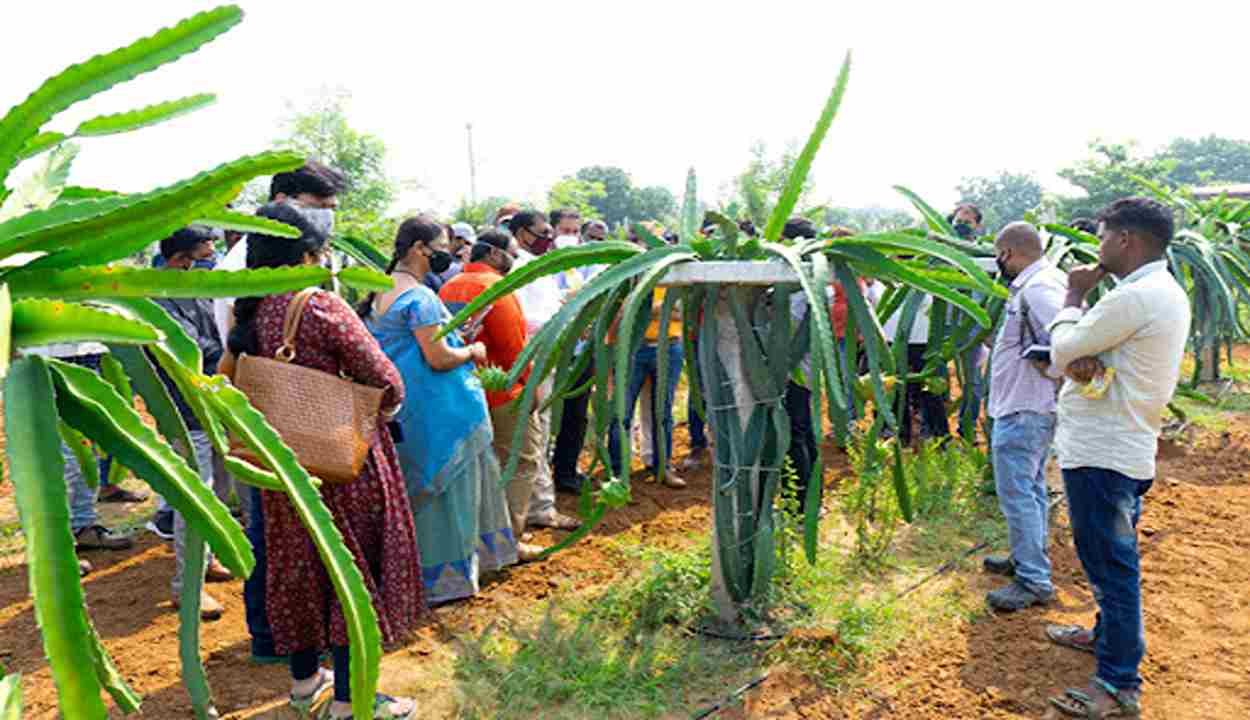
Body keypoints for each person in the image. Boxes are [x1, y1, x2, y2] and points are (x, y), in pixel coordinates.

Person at [221, 202, 421, 719]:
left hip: (281, 469)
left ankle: (307, 684)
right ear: (310, 254)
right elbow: (388, 380)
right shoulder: (322, 307)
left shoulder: (251, 309)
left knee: (301, 573)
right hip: (340, 466)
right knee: (351, 571)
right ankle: (354, 701)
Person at [1043, 198, 1189, 719]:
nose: (1098, 247)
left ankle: (1119, 681)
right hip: (1126, 446)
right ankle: (1105, 638)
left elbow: (1062, 351)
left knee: (1112, 567)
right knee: (1111, 558)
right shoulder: (1158, 292)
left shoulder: (1134, 299)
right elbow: (1089, 356)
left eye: (1103, 236)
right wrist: (1087, 352)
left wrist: (1073, 296)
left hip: (1104, 454)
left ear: (1126, 239)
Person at [222, 163, 345, 665]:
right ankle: (273, 636)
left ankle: (291, 639)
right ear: (282, 200)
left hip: (286, 410)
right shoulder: (244, 264)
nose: (326, 220)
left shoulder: (300, 258)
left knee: (286, 527)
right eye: (318, 209)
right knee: (270, 529)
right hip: (280, 410)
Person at [362, 217, 518, 604]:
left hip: (404, 407)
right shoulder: (420, 298)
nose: (448, 253)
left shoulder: (380, 291)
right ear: (419, 248)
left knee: (412, 488)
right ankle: (444, 581)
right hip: (440, 409)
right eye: (442, 245)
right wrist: (472, 350)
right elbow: (438, 357)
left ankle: (409, 573)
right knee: (448, 492)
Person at [440, 230, 549, 561]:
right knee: (521, 461)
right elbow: (515, 349)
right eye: (511, 252)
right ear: (492, 254)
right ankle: (508, 540)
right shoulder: (499, 290)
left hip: (462, 391)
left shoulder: (449, 286)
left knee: (481, 468)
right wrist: (530, 389)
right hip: (502, 392)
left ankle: (484, 534)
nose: (514, 259)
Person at [980, 222, 1067, 612]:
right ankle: (1026, 558)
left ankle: (1033, 579)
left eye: (1000, 255)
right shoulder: (1039, 283)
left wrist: (1048, 368)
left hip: (1025, 407)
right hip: (1024, 405)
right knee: (1030, 491)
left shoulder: (1039, 288)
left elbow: (1066, 343)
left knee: (1018, 495)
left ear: (1008, 253)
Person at [152, 227, 238, 619]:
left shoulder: (194, 287)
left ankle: (206, 561)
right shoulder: (158, 296)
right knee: (196, 497)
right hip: (185, 411)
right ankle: (186, 587)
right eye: (205, 250)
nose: (212, 255)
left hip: (214, 403)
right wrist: (232, 351)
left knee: (219, 487)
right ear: (182, 256)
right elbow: (187, 347)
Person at [506, 210, 580, 530]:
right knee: (537, 430)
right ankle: (540, 509)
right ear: (522, 234)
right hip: (535, 356)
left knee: (541, 430)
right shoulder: (521, 266)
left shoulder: (538, 265)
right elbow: (523, 318)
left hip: (547, 354)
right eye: (543, 232)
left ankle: (538, 505)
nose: (549, 238)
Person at [606, 224, 687, 489]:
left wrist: (647, 308)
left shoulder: (676, 273)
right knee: (622, 413)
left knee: (662, 411)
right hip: (633, 349)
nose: (648, 248)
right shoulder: (624, 275)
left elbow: (682, 312)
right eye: (640, 242)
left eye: (654, 242)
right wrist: (659, 309)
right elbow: (619, 315)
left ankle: (662, 466)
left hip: (669, 347)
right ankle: (618, 473)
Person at [550, 219, 609, 494]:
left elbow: (600, 296)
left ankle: (566, 471)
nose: (570, 237)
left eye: (574, 232)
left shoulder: (589, 264)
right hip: (548, 355)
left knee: (575, 415)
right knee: (543, 416)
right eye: (565, 231)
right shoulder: (540, 264)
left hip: (580, 352)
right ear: (552, 231)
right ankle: (540, 476)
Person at [950, 203, 990, 437]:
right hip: (940, 324)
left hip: (972, 324)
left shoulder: (986, 253)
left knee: (972, 380)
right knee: (936, 378)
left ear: (978, 225)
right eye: (958, 220)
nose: (962, 225)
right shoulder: (939, 251)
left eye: (967, 221)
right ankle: (934, 429)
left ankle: (968, 426)